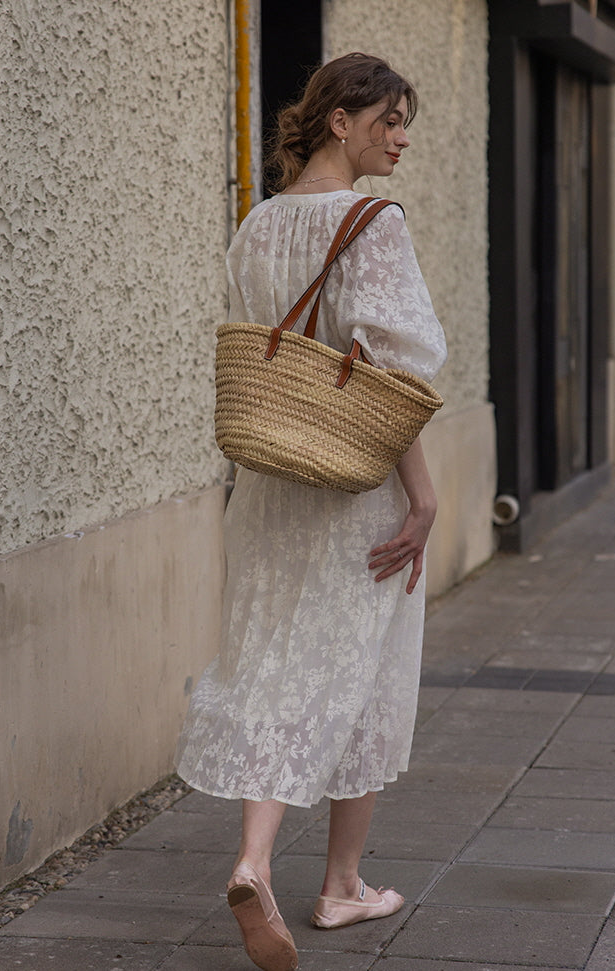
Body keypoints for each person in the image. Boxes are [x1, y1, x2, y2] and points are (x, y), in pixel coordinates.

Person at [175, 51, 447, 971]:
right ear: (341, 119)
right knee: (360, 670)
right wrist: (423, 491)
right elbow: (386, 368)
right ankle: (339, 886)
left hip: (271, 482)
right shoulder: (374, 223)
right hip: (353, 488)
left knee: (271, 660)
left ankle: (256, 858)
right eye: (389, 121)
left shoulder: (257, 224)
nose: (402, 138)